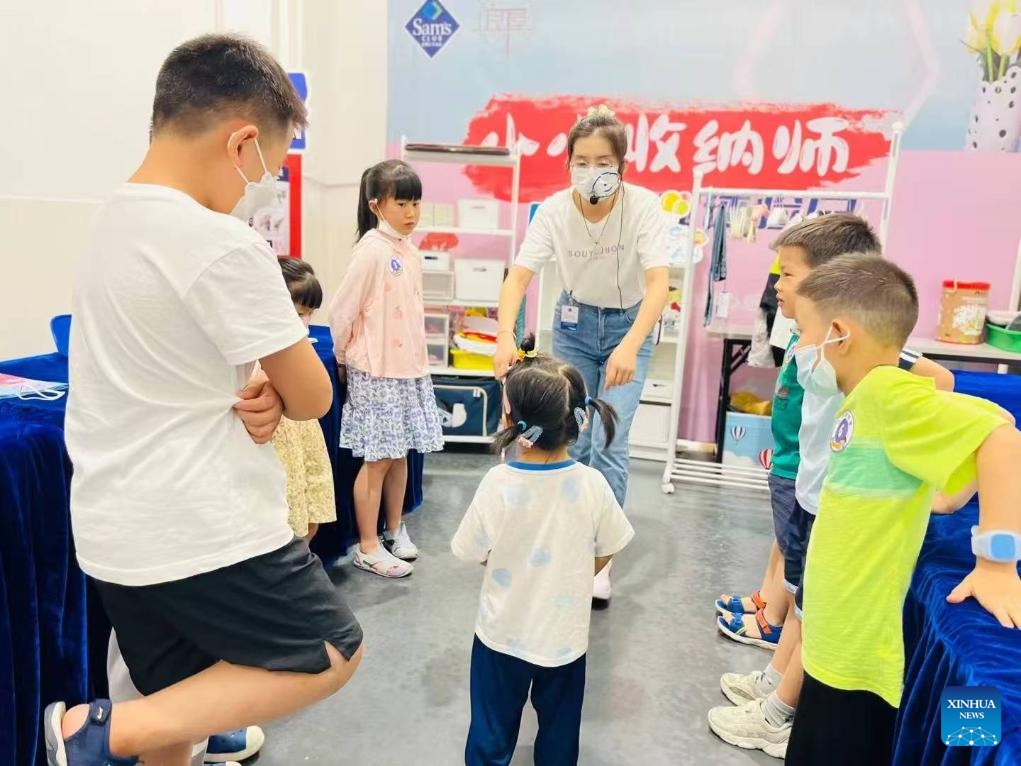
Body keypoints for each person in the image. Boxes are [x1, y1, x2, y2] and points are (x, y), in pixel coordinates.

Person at [45, 35, 362, 766]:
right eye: (267, 173)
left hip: (113, 525)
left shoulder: (110, 221)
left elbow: (170, 370)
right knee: (330, 649)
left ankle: (128, 734)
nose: (257, 189)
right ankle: (96, 734)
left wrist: (262, 394)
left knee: (174, 713)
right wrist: (284, 395)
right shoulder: (219, 242)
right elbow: (314, 393)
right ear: (241, 142)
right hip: (198, 523)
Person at [708, 220, 953, 759]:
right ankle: (778, 688)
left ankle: (777, 711)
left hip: (831, 513)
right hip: (815, 495)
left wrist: (994, 555)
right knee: (804, 606)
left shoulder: (859, 357)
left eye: (789, 275)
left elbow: (954, 398)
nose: (778, 284)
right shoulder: (813, 340)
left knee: (810, 612)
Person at [784, 256, 1021, 763]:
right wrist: (944, 494)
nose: (801, 348)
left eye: (804, 333)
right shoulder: (867, 397)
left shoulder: (887, 396)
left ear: (839, 335)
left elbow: (1001, 435)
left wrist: (997, 562)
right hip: (832, 646)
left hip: (856, 662)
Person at [492, 105, 669, 602]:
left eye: (603, 162)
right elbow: (520, 276)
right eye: (582, 161)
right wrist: (505, 334)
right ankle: (568, 531)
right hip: (572, 324)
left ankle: (599, 560)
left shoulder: (644, 207)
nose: (592, 172)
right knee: (575, 435)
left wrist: (631, 344)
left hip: (627, 324)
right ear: (568, 162)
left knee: (611, 438)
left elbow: (659, 283)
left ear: (622, 167)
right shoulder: (552, 211)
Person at [451, 340, 635, 765]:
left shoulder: (499, 485)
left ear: (513, 422)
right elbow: (610, 547)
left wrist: (502, 559)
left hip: (501, 635)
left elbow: (469, 549)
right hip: (565, 638)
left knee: (491, 728)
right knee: (559, 732)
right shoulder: (593, 485)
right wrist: (574, 571)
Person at [328, 159, 443, 578]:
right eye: (402, 204)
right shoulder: (372, 251)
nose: (411, 213)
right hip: (375, 371)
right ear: (377, 205)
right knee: (378, 458)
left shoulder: (408, 251)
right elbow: (342, 311)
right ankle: (368, 545)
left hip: (409, 369)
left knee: (400, 455)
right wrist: (343, 358)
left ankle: (395, 529)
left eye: (416, 203)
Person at [273, 256, 337, 542]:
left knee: (312, 501)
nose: (306, 321)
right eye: (299, 314)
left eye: (309, 313)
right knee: (290, 505)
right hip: (281, 437)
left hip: (304, 433)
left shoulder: (302, 339)